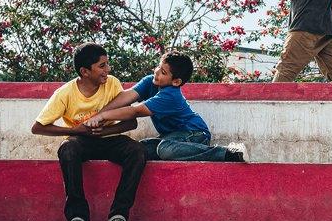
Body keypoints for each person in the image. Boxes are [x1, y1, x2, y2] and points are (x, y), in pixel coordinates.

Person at [31, 43, 146, 221]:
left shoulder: (112, 84)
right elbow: (38, 127)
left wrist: (103, 131)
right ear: (84, 71)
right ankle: (78, 218)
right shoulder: (65, 93)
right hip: (81, 141)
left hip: (110, 138)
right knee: (67, 149)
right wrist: (77, 130)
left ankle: (118, 216)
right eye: (102, 66)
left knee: (138, 150)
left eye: (107, 64)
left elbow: (131, 123)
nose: (108, 70)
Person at [86, 53, 247, 162]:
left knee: (166, 150)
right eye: (158, 67)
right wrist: (99, 113)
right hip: (170, 137)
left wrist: (103, 117)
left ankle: (226, 152)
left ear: (176, 81)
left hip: (194, 134)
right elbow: (126, 96)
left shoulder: (171, 95)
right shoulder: (151, 81)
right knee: (138, 150)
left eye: (163, 72)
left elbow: (136, 111)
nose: (157, 73)